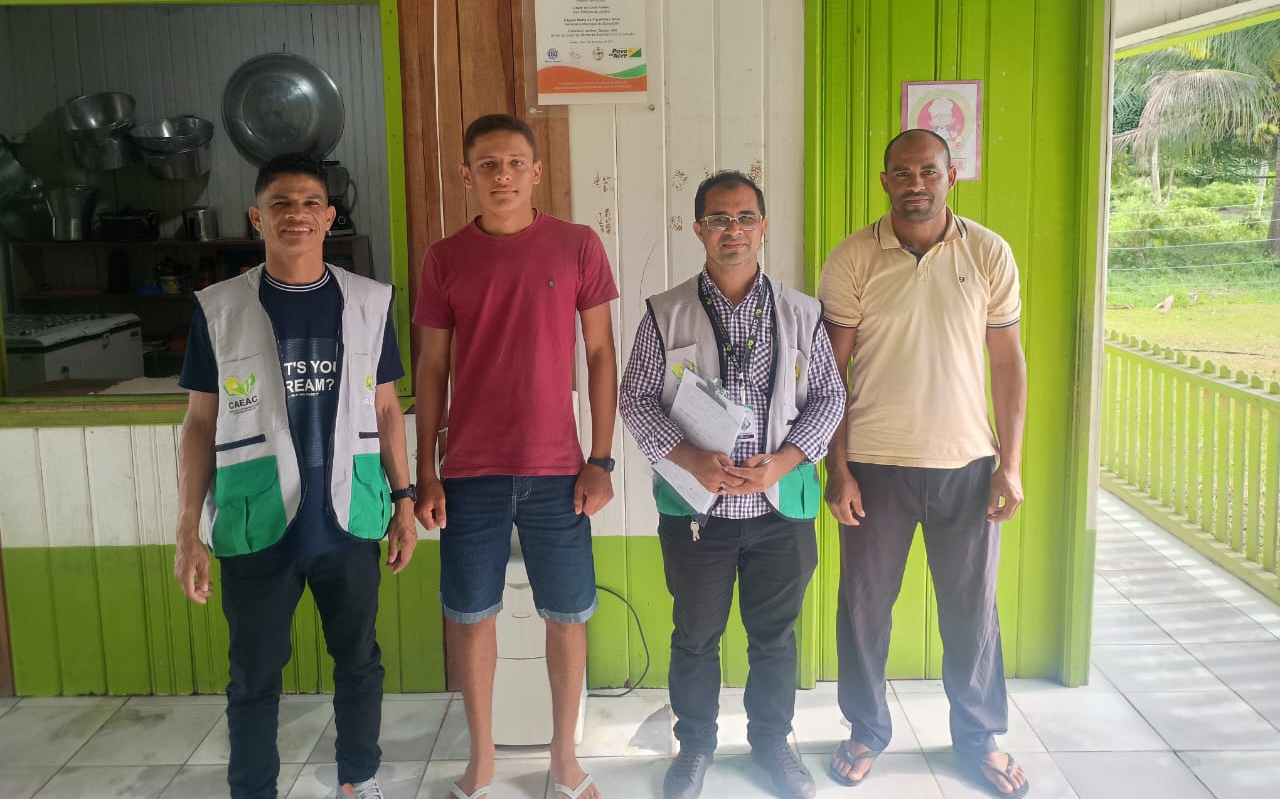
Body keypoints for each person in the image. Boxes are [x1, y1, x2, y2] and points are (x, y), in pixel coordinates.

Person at [174, 153, 417, 799]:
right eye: (280, 203)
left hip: (349, 521)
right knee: (253, 679)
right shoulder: (219, 309)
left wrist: (404, 501)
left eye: (311, 203)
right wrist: (188, 530)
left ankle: (358, 780)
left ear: (330, 217)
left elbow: (386, 409)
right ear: (257, 218)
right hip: (255, 524)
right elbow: (199, 423)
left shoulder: (369, 303)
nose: (297, 215)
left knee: (359, 663)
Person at [619, 171, 845, 799]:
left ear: (763, 227)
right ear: (699, 230)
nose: (733, 231)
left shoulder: (802, 313)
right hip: (698, 512)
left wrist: (785, 461)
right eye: (719, 219)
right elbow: (635, 398)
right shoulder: (665, 313)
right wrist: (689, 457)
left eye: (745, 218)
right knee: (696, 637)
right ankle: (694, 747)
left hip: (780, 507)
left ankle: (772, 744)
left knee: (775, 637)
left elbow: (830, 398)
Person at [412, 114, 618, 799]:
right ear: (466, 175)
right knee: (471, 617)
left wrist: (602, 458)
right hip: (469, 473)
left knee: (569, 614)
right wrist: (425, 471)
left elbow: (599, 353)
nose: (503, 175)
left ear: (536, 172)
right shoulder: (444, 258)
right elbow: (431, 368)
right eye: (488, 164)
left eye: (515, 163)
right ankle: (483, 760)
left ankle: (564, 758)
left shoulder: (577, 245)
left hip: (560, 469)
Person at [818, 129, 1029, 798]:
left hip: (967, 465)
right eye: (903, 173)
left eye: (929, 172)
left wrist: (1011, 463)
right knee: (864, 610)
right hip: (874, 466)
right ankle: (866, 730)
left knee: (973, 611)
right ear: (885, 180)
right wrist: (837, 470)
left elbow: (1008, 363)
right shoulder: (853, 258)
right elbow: (829, 375)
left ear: (950, 176)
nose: (917, 184)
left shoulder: (988, 252)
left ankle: (979, 736)